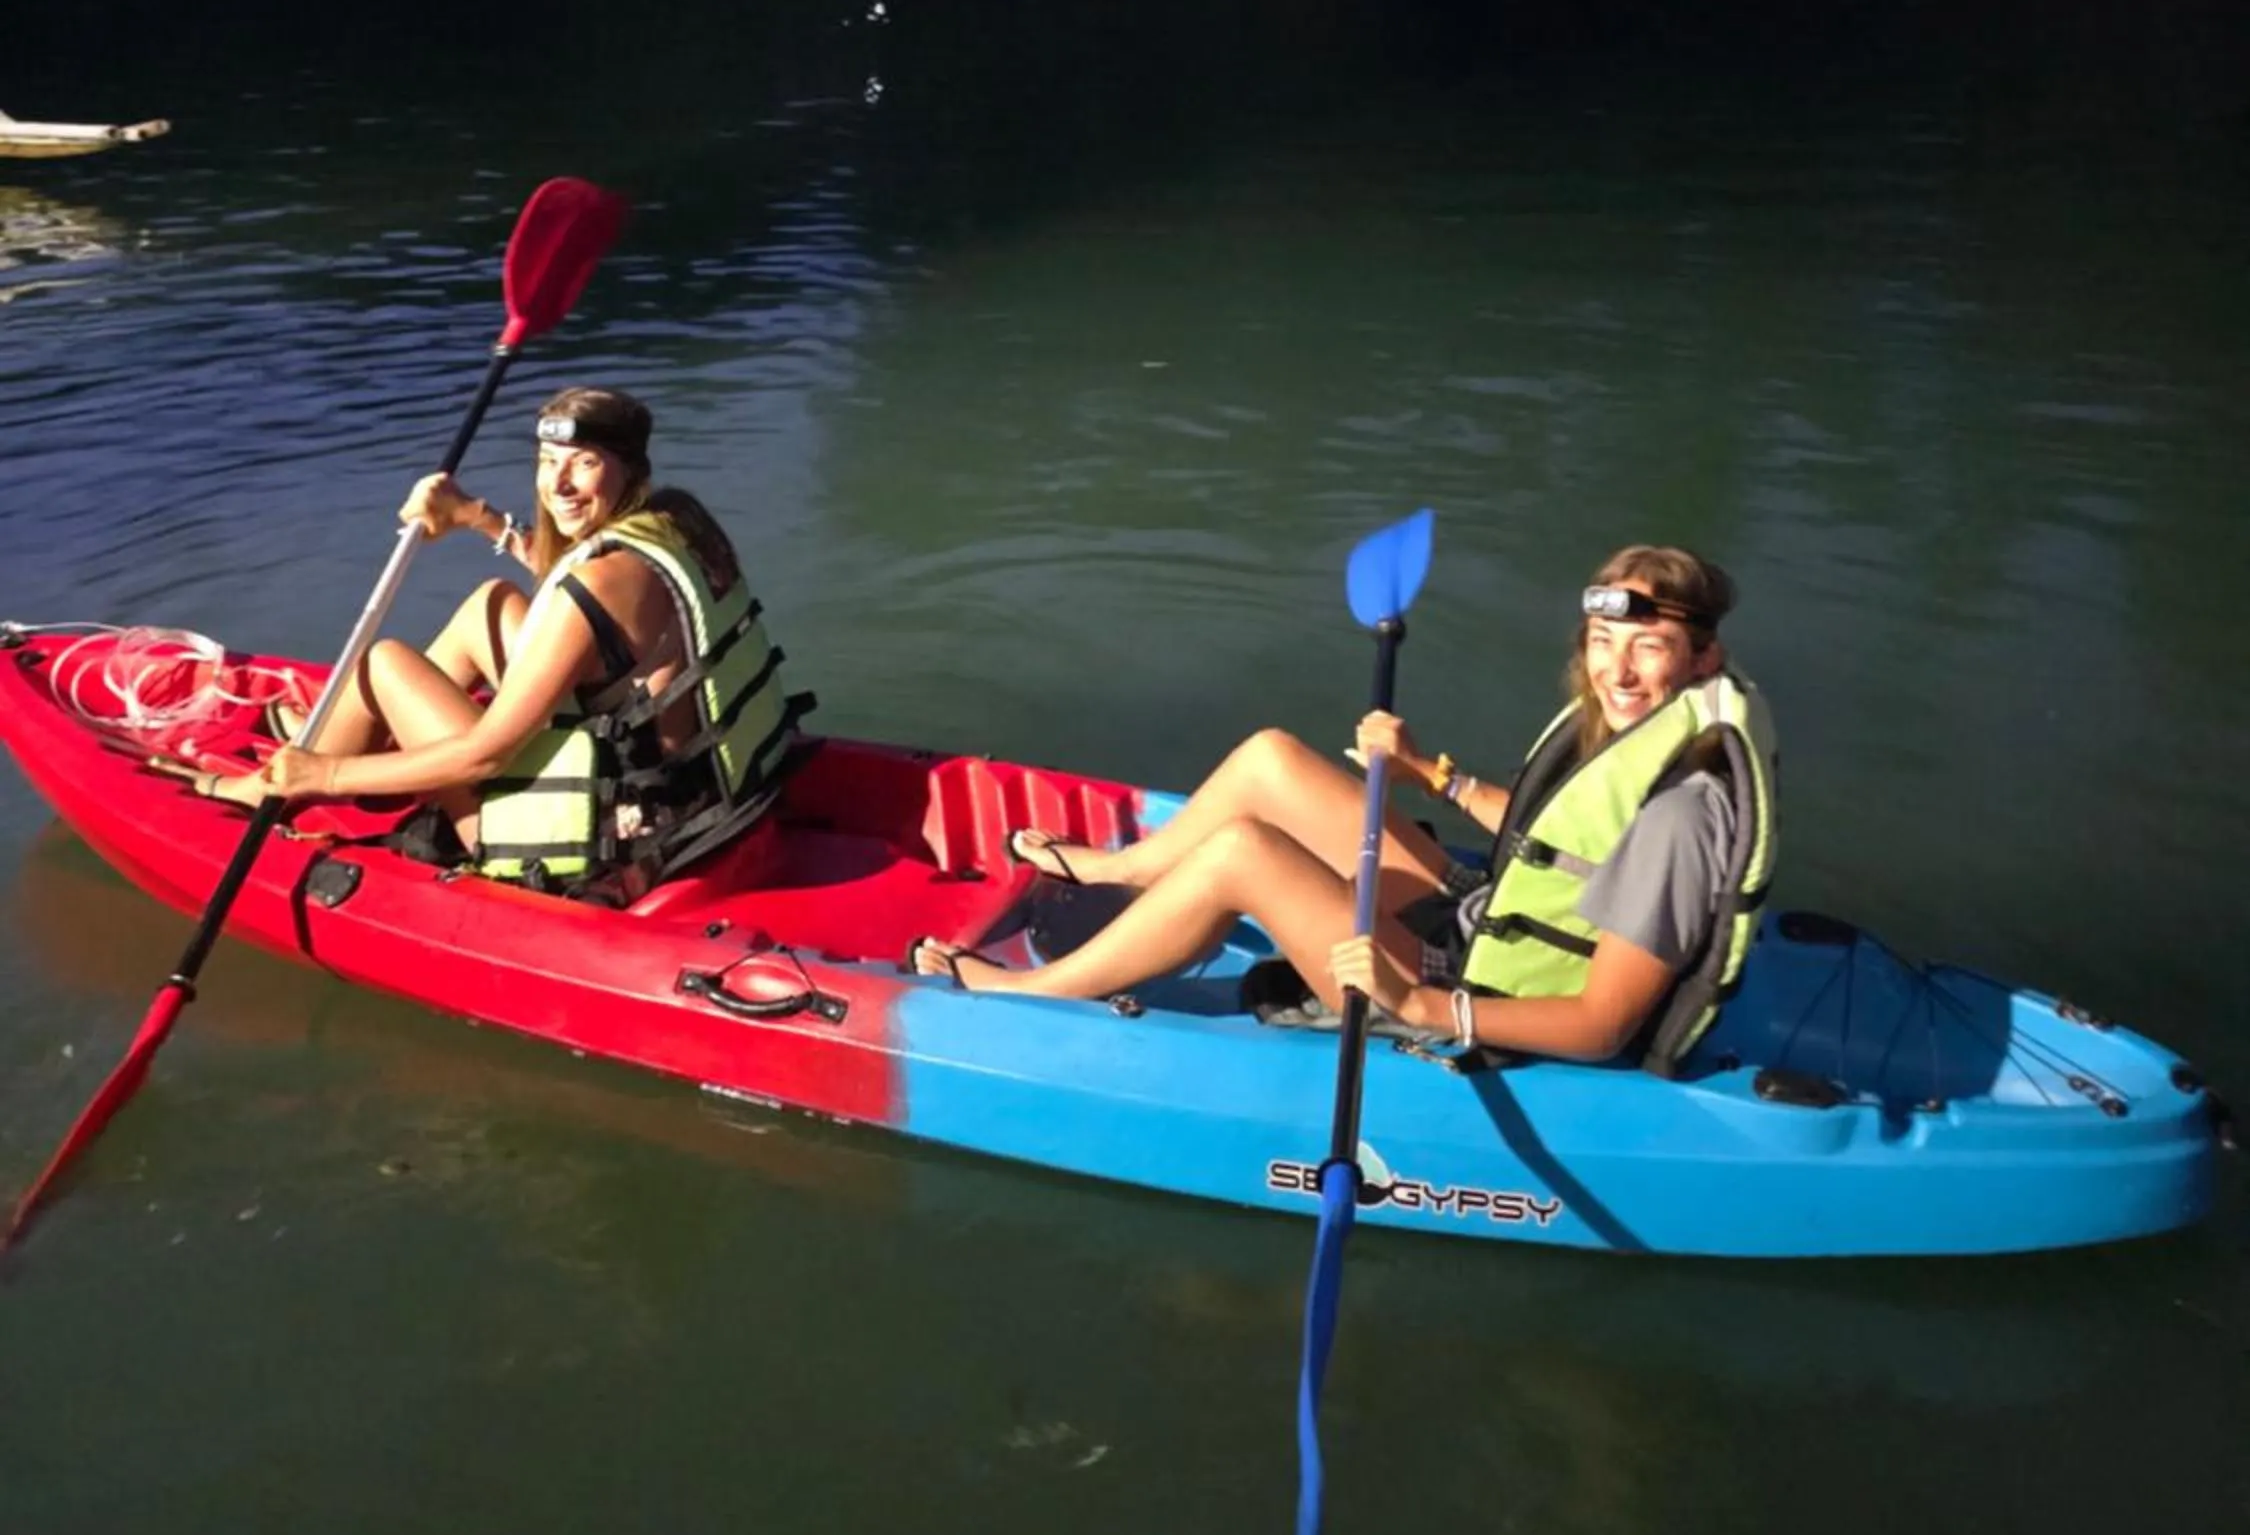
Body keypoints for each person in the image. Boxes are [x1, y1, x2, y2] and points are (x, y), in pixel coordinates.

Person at [911, 545, 1776, 1070]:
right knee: (1271, 760)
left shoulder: (1679, 817)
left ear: (1704, 660)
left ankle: (1036, 991)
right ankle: (1127, 869)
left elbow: (1602, 1024)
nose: (1617, 673)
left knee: (1242, 850)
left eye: (1649, 648)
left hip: (1462, 989)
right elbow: (1563, 844)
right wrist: (1430, 774)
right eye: (1603, 642)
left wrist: (1429, 1008)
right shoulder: (1644, 734)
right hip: (1473, 923)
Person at [231, 386, 812, 899]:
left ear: (627, 468)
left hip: (607, 841)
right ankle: (363, 740)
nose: (558, 483)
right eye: (546, 461)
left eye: (583, 463)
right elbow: (578, 591)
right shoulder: (674, 521)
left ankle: (283, 784)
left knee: (383, 663)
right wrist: (477, 518)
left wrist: (325, 775)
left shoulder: (597, 584)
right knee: (492, 602)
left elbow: (487, 753)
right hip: (698, 792)